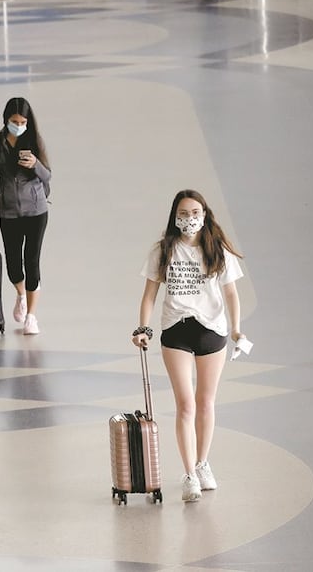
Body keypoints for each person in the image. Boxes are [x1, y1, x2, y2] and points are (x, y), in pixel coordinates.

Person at [132, 189, 246, 502]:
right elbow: (149, 295)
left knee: (206, 402)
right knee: (186, 405)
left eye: (195, 212)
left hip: (212, 330)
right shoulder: (164, 250)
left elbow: (232, 294)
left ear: (205, 214)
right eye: (183, 213)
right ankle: (189, 475)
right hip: (176, 330)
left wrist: (236, 330)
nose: (190, 219)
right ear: (174, 216)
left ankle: (202, 462)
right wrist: (142, 328)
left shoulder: (217, 249)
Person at [0, 97, 51, 335]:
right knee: (13, 265)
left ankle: (31, 316)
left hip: (36, 210)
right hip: (9, 212)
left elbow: (47, 175)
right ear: (6, 120)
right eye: (14, 121)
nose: (18, 125)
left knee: (32, 261)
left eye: (22, 121)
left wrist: (35, 165)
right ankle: (20, 294)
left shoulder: (34, 140)